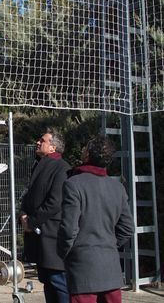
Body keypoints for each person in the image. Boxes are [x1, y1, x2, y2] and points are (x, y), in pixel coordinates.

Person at [57, 136, 133, 303]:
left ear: (87, 155)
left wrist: (65, 252)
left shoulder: (73, 184)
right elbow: (127, 227)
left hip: (83, 268)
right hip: (111, 268)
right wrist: (109, 245)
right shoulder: (117, 187)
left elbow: (69, 229)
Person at [20, 130, 71, 303]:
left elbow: (55, 202)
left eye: (42, 140)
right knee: (47, 282)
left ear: (52, 147)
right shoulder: (40, 164)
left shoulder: (62, 168)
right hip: (39, 236)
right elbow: (29, 195)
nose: (37, 142)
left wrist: (31, 221)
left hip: (52, 237)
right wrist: (23, 214)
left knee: (58, 282)